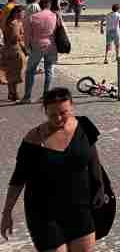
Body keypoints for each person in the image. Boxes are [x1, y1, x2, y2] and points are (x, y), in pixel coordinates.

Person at [2, 88, 109, 251]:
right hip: (44, 214)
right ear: (45, 111)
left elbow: (93, 158)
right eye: (52, 115)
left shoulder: (84, 126)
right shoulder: (33, 140)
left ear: (71, 107)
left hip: (80, 208)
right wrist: (7, 213)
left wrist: (100, 187)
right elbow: (18, 179)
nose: (58, 118)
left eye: (63, 112)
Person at [21, 0, 58, 103]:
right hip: (51, 46)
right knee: (49, 70)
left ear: (40, 6)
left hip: (37, 46)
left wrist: (27, 47)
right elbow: (56, 31)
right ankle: (47, 95)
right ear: (49, 5)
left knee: (30, 71)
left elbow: (27, 35)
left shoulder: (32, 17)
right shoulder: (54, 15)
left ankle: (27, 97)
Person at [1, 6, 27, 101]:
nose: (24, 15)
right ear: (17, 13)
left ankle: (11, 93)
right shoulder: (15, 23)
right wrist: (22, 36)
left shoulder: (7, 22)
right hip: (15, 49)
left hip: (7, 49)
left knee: (10, 72)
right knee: (16, 72)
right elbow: (15, 38)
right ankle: (14, 93)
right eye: (23, 13)